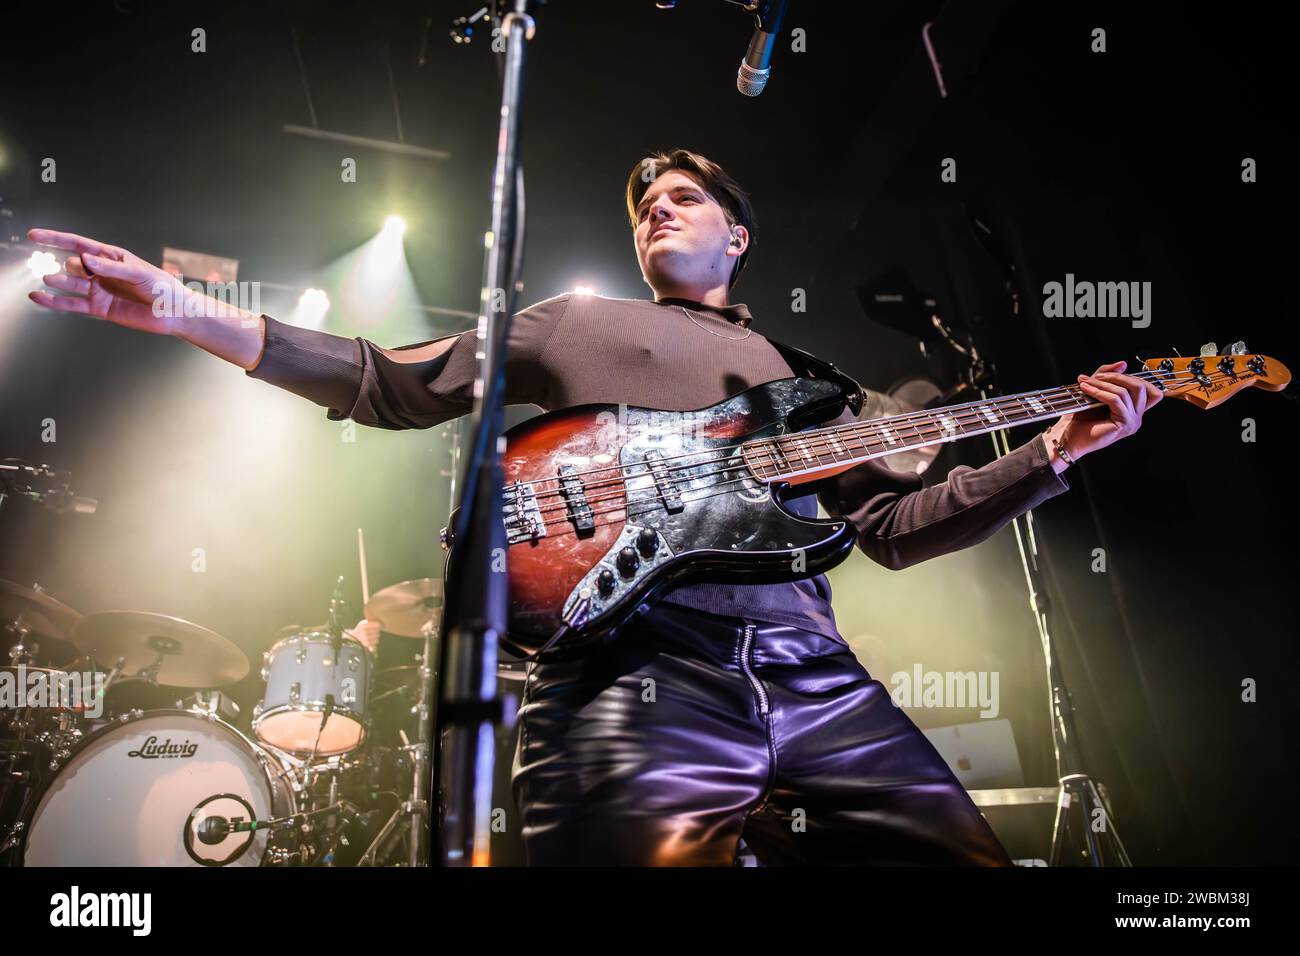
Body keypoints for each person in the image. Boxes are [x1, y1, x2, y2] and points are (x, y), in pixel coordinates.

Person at [27, 148, 1161, 865]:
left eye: (683, 199)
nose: (656, 213)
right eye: (642, 209)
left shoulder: (818, 383)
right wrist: (185, 309)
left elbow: (893, 529)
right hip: (633, 675)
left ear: (739, 234)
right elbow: (388, 379)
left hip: (819, 681)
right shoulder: (573, 322)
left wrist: (1052, 450)